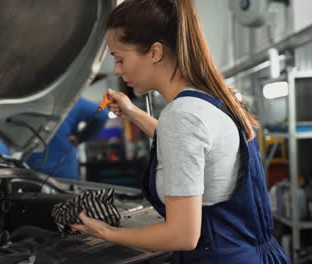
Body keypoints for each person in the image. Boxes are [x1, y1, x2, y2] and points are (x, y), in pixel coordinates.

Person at [71, 0, 291, 263]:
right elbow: (192, 149)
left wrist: (107, 233)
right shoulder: (218, 98)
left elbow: (182, 235)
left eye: (120, 58)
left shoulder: (182, 116)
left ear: (155, 52)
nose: (117, 70)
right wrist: (132, 112)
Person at [26, 97, 109, 180]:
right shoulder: (69, 99)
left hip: (32, 168)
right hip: (63, 168)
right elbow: (102, 114)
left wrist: (79, 138)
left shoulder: (25, 100)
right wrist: (80, 138)